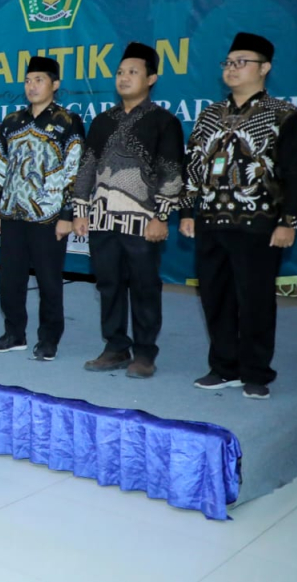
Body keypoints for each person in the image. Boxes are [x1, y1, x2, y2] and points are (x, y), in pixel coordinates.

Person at [181, 32, 297, 400]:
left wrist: (289, 221)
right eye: (228, 62)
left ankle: (255, 372)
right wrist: (188, 211)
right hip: (209, 221)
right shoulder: (209, 115)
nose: (232, 68)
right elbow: (193, 166)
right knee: (215, 297)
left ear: (264, 68)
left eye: (242, 62)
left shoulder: (284, 115)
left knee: (255, 300)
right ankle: (224, 367)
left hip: (258, 224)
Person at [74, 43, 185, 379]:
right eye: (120, 72)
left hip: (143, 223)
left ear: (151, 79)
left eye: (133, 72)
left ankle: (145, 352)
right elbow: (86, 167)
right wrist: (80, 210)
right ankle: (115, 346)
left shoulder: (163, 122)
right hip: (102, 219)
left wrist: (161, 216)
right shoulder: (102, 121)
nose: (124, 78)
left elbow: (172, 172)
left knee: (144, 287)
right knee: (108, 284)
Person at [0, 56, 85, 360]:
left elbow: (75, 171)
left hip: (49, 217)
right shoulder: (12, 121)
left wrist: (67, 215)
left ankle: (49, 339)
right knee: (10, 279)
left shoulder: (68, 122)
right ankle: (14, 333)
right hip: (12, 213)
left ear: (55, 85)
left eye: (39, 80)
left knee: (48, 281)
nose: (31, 86)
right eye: (28, 81)